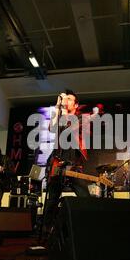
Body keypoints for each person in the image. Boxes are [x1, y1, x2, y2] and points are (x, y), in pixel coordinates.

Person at [42, 90, 91, 239]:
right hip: (57, 162)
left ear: (76, 104)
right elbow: (53, 128)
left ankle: (86, 230)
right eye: (65, 98)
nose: (66, 100)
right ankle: (46, 233)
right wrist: (57, 108)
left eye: (69, 99)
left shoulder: (83, 118)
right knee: (51, 201)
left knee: (84, 197)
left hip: (74, 164)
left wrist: (62, 111)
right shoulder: (60, 114)